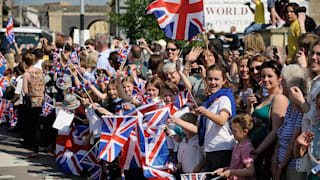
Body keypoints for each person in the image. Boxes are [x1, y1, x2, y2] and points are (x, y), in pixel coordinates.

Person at [168, 64, 237, 178]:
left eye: (216, 79)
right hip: (209, 149)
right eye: (210, 79)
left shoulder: (224, 98)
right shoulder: (209, 103)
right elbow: (198, 130)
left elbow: (221, 120)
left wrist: (206, 113)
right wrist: (178, 121)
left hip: (222, 148)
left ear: (224, 80)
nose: (212, 82)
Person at [247, 61, 288, 179]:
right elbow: (251, 122)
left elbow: (276, 130)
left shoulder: (279, 98)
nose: (265, 79)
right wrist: (249, 107)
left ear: (279, 78)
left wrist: (258, 151)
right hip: (255, 150)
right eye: (263, 76)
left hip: (267, 152)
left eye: (270, 76)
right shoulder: (264, 97)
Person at [271, 64, 310, 179]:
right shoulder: (290, 106)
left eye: (283, 81)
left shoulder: (300, 110)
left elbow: (293, 141)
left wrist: (280, 167)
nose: (280, 84)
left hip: (293, 167)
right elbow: (281, 133)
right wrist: (275, 158)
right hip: (281, 163)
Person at [290, 39, 320, 174]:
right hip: (310, 149)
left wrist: (302, 102)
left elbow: (315, 116)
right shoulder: (314, 81)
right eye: (312, 53)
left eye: (319, 54)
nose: (313, 57)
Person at [212, 114, 255, 180]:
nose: (232, 133)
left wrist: (231, 172)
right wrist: (225, 169)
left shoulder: (246, 148)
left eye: (235, 131)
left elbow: (250, 171)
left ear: (245, 132)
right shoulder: (239, 145)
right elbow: (237, 166)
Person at [22, 52, 45, 158]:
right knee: (39, 125)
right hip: (42, 99)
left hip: (32, 101)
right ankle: (39, 146)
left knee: (33, 126)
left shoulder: (26, 74)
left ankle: (35, 150)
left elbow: (25, 90)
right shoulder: (40, 71)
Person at [294, 92, 320, 180]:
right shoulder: (315, 130)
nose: (316, 110)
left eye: (319, 107)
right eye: (317, 106)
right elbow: (299, 155)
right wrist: (298, 144)